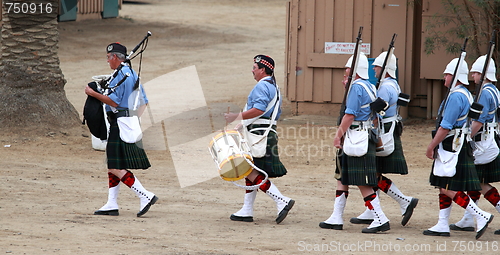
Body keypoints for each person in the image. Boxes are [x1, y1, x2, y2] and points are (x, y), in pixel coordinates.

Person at [319, 53, 391, 233]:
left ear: (355, 70)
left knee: (362, 182)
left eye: (347, 69)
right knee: (343, 178)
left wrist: (338, 135)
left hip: (356, 137)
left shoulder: (356, 87)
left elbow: (350, 115)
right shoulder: (369, 86)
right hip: (361, 135)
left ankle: (380, 218)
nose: (345, 72)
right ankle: (336, 216)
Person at [85, 42, 158, 217]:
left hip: (119, 122)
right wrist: (134, 118)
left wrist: (93, 93)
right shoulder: (132, 74)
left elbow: (114, 102)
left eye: (109, 57)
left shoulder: (120, 76)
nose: (108, 61)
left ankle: (145, 195)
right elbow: (144, 101)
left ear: (115, 57)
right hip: (129, 121)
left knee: (115, 165)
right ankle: (112, 203)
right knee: (113, 166)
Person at [423, 57, 493, 239]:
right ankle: (442, 223)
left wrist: (432, 146)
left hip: (451, 144)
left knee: (447, 187)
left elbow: (445, 126)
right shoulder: (465, 94)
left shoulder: (456, 96)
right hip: (458, 143)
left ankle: (480, 215)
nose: (444, 77)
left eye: (447, 74)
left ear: (454, 77)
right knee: (442, 185)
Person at [350, 52, 418, 227]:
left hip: (384, 132)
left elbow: (375, 109)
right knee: (375, 172)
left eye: (377, 66)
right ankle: (372, 210)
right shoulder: (392, 84)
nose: (374, 68)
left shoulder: (385, 87)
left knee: (373, 173)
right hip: (388, 129)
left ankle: (404, 200)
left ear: (385, 69)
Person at [224, 55, 294, 224]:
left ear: (262, 69)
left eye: (254, 67)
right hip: (264, 133)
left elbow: (259, 110)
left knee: (249, 170)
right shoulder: (273, 86)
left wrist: (236, 116)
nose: (252, 70)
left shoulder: (262, 86)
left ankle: (281, 200)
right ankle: (247, 209)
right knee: (250, 172)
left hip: (258, 134)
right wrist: (240, 125)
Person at [449, 55, 500, 235]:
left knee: (479, 182)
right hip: (489, 139)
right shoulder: (493, 90)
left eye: (476, 73)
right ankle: (468, 219)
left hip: (482, 142)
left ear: (484, 74)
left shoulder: (485, 92)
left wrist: (466, 137)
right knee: (477, 181)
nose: (473, 76)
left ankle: (472, 217)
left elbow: (479, 121)